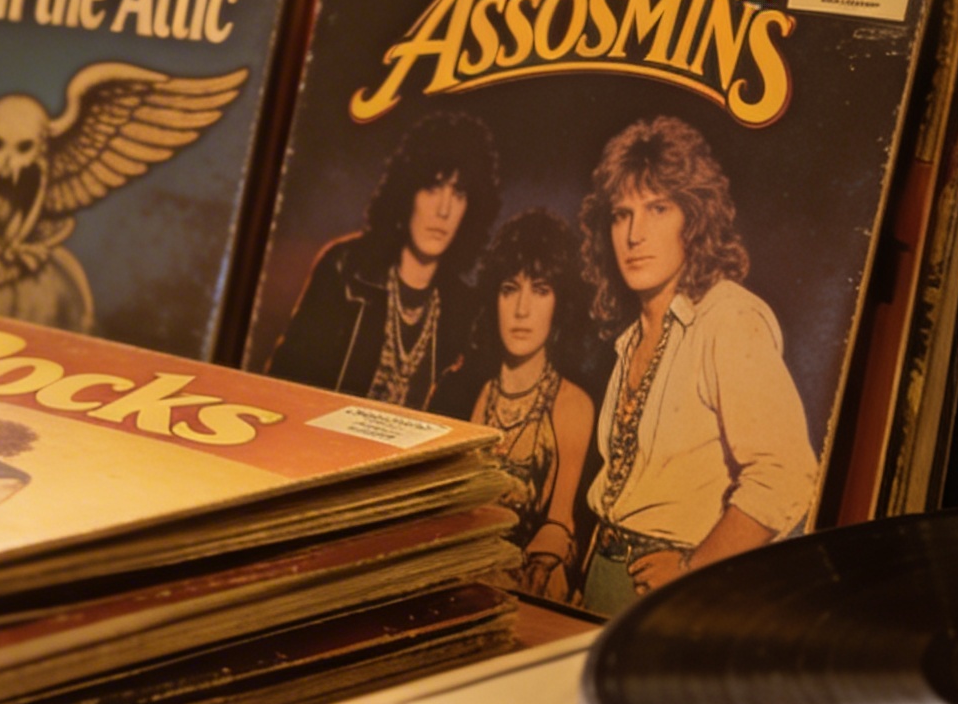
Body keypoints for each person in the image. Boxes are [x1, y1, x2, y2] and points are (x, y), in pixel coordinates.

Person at [577, 116, 816, 616]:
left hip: (676, 592)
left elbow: (786, 475)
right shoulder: (632, 334)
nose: (635, 234)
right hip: (604, 572)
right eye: (621, 215)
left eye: (657, 208)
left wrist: (694, 569)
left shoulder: (727, 317)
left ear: (694, 217)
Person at [263, 108, 501, 411]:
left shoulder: (464, 310)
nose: (444, 210)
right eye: (432, 188)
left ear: (473, 208)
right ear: (407, 193)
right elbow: (282, 390)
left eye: (459, 193)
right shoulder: (346, 269)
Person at [466, 210, 595, 601]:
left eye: (540, 290)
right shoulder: (471, 391)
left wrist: (540, 566)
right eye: (509, 289)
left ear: (561, 303)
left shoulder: (571, 403)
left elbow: (560, 519)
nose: (522, 310)